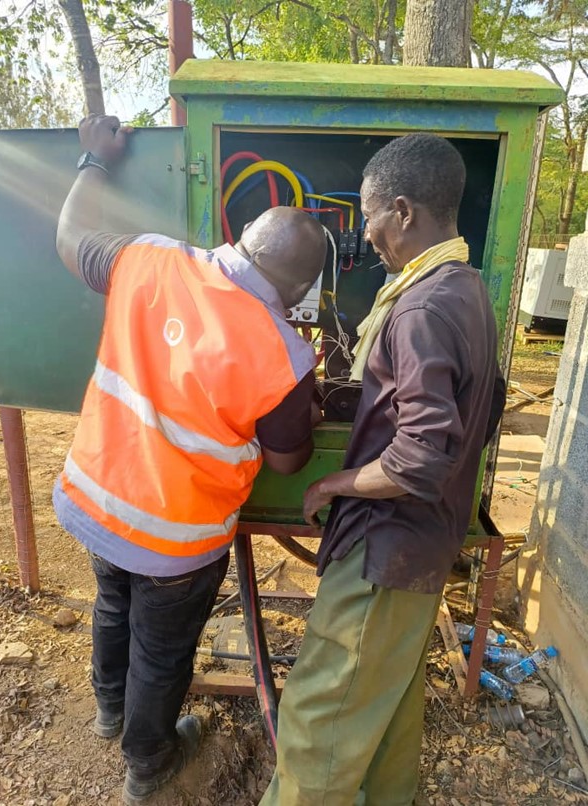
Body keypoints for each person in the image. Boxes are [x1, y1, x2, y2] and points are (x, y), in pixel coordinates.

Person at [52, 114, 327, 805]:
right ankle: (148, 761)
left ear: (241, 240)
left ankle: (109, 711)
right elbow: (290, 462)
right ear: (297, 293)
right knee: (162, 651)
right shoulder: (288, 355)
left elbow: (67, 239)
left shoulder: (146, 258)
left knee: (112, 604)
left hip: (96, 501)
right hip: (176, 543)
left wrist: (93, 161)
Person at [261, 133, 506, 806]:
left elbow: (422, 453)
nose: (364, 233)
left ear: (402, 210)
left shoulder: (423, 307)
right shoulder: (463, 288)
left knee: (320, 720)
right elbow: (483, 407)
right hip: (424, 542)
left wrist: (335, 481)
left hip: (385, 550)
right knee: (387, 707)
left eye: (368, 215)